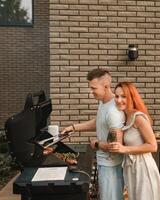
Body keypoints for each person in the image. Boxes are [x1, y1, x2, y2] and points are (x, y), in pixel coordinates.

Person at [61, 68, 125, 200]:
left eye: (93, 88)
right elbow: (98, 121)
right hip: (104, 163)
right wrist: (74, 128)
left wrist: (96, 143)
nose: (91, 92)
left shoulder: (113, 112)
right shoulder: (104, 102)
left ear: (106, 86)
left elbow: (117, 147)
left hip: (111, 167)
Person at [109, 82, 160, 200]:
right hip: (131, 167)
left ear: (131, 97)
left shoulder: (138, 117)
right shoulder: (124, 116)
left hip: (143, 167)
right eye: (116, 96)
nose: (119, 100)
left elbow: (153, 146)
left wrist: (125, 149)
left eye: (123, 96)